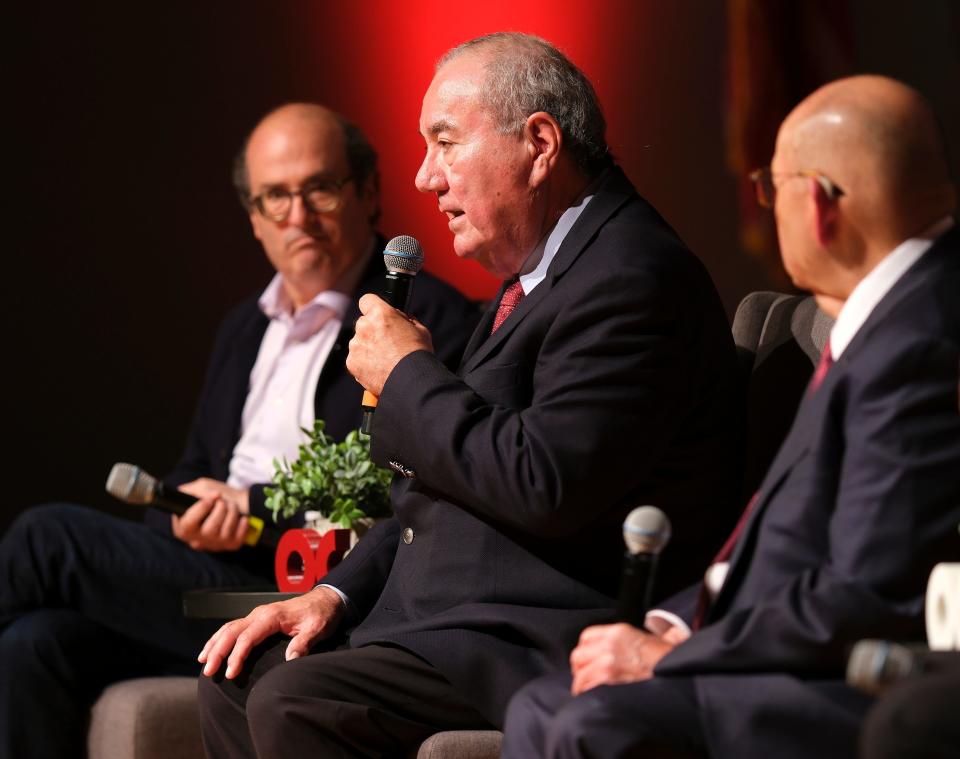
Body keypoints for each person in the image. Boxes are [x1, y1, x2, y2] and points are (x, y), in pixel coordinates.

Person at [196, 32, 742, 758]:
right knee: (235, 673)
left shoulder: (632, 277)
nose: (426, 178)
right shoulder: (536, 277)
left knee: (301, 698)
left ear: (539, 143)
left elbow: (545, 481)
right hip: (450, 619)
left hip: (530, 633)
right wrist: (333, 594)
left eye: (445, 143)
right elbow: (438, 488)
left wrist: (407, 375)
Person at [0, 103, 479, 759]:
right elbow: (191, 475)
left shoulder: (422, 321)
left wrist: (248, 509)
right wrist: (185, 515)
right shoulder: (243, 330)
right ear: (254, 218)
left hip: (301, 589)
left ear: (367, 193)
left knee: (43, 537)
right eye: (275, 197)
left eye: (319, 188)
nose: (297, 215)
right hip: (205, 579)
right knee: (33, 642)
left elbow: (400, 497)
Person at [500, 75, 960, 759]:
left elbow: (867, 590)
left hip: (843, 681)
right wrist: (671, 623)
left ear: (818, 205)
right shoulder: (883, 318)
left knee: (591, 721)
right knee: (542, 699)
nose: (770, 209)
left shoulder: (919, 338)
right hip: (770, 646)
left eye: (770, 190)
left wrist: (674, 655)